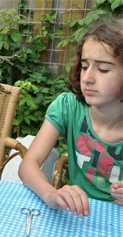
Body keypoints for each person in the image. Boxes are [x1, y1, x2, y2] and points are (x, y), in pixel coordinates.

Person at [18, 17, 123, 218]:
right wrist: (50, 193)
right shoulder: (68, 107)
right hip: (77, 215)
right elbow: (28, 164)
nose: (87, 77)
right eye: (84, 66)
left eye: (103, 69)